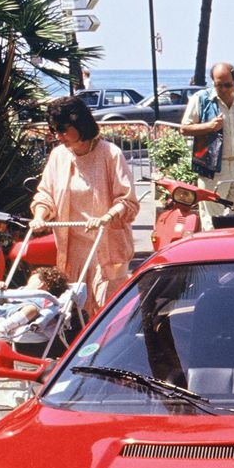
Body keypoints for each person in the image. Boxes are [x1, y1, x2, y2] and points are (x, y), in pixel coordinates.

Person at [30, 95, 139, 317]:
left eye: (62, 129)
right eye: (54, 130)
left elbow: (127, 201)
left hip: (106, 248)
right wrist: (40, 216)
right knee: (74, 313)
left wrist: (107, 217)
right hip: (73, 252)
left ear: (80, 124)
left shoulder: (110, 154)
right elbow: (45, 194)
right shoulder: (58, 156)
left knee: (106, 313)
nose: (58, 136)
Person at [180, 62, 234, 228]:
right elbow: (184, 128)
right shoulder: (201, 100)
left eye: (227, 85)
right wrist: (208, 127)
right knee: (212, 220)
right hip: (212, 169)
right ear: (212, 82)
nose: (223, 89)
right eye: (218, 85)